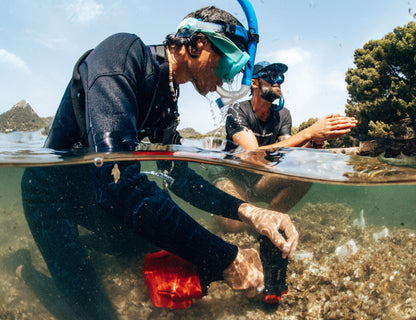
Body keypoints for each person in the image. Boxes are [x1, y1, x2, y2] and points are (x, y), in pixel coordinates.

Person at [21, 6, 298, 319]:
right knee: (93, 313)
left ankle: (87, 248)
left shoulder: (166, 101)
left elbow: (180, 177)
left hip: (94, 196)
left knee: (147, 248)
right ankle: (26, 272)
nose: (228, 78)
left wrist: (249, 211)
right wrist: (227, 258)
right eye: (230, 64)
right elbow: (121, 187)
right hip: (51, 195)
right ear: (201, 44)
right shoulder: (122, 54)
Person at [212, 61, 357, 232]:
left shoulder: (283, 114)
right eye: (272, 76)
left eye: (281, 77)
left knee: (304, 169)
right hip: (233, 177)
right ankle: (222, 209)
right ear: (254, 82)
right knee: (234, 228)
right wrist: (309, 132)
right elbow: (252, 155)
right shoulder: (237, 111)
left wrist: (315, 140)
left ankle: (266, 222)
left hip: (260, 178)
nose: (278, 81)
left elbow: (289, 153)